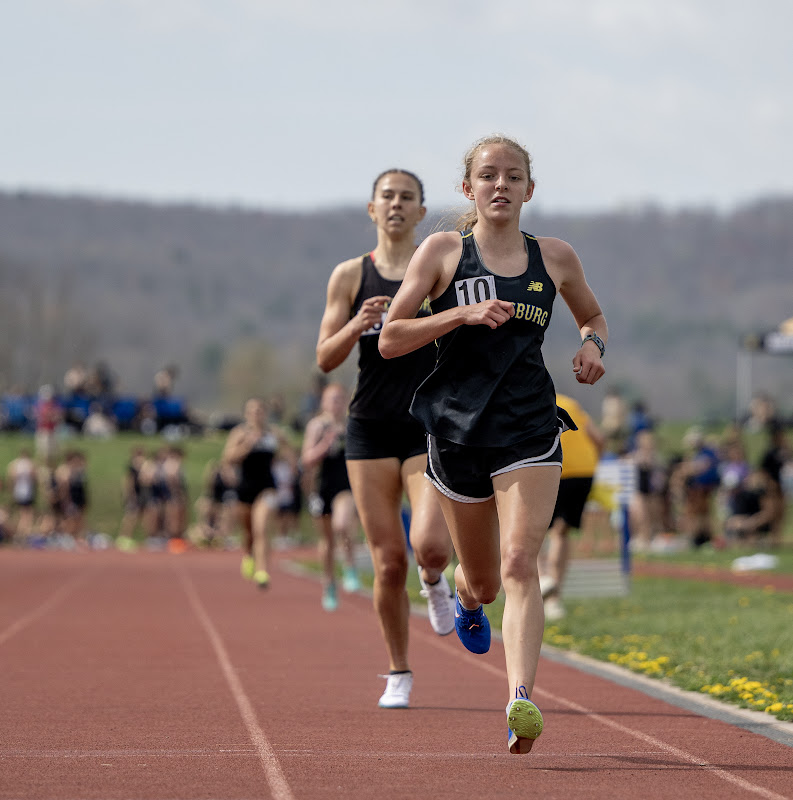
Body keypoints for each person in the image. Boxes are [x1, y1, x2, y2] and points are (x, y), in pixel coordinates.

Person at [379, 134, 607, 753]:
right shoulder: (442, 251)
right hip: (456, 431)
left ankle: (520, 701)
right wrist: (457, 315)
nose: (499, 186)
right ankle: (462, 593)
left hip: (529, 426)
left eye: (512, 177)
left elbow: (593, 316)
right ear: (468, 189)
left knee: (518, 564)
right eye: (487, 176)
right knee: (482, 582)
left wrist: (593, 345)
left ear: (529, 190)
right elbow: (391, 337)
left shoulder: (554, 257)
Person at [315, 168, 456, 709]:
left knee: (430, 545)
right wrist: (357, 325)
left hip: (425, 423)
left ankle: (437, 581)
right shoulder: (351, 276)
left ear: (422, 212)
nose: (396, 205)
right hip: (370, 427)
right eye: (387, 197)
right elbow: (326, 358)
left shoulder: (437, 270)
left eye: (407, 198)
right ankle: (399, 670)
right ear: (372, 209)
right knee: (388, 561)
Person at [539, 393, 606, 622]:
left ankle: (542, 578)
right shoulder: (571, 403)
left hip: (552, 467)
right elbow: (598, 439)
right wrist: (595, 463)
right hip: (583, 470)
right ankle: (554, 598)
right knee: (561, 531)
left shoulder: (530, 397)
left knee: (531, 528)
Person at [301, 382, 361, 612]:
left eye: (339, 398)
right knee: (326, 541)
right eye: (331, 399)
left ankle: (350, 567)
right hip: (321, 486)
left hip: (344, 485)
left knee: (342, 524)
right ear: (324, 402)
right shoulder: (317, 426)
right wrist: (326, 443)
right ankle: (329, 584)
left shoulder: (351, 423)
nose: (336, 403)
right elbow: (306, 459)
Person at [222, 397, 292, 588]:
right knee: (249, 531)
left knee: (261, 527)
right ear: (246, 414)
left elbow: (288, 451)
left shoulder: (274, 434)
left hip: (267, 486)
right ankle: (248, 554)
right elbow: (228, 458)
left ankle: (262, 570)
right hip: (245, 487)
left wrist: (288, 463)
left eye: (260, 411)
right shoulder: (240, 433)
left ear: (265, 413)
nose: (256, 414)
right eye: (252, 411)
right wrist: (247, 445)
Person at [6, 448, 38, 541]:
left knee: (20, 513)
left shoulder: (14, 464)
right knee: (27, 514)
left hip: (18, 491)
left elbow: (10, 478)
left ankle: (19, 534)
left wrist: (10, 491)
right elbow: (34, 477)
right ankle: (22, 534)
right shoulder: (30, 464)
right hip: (27, 492)